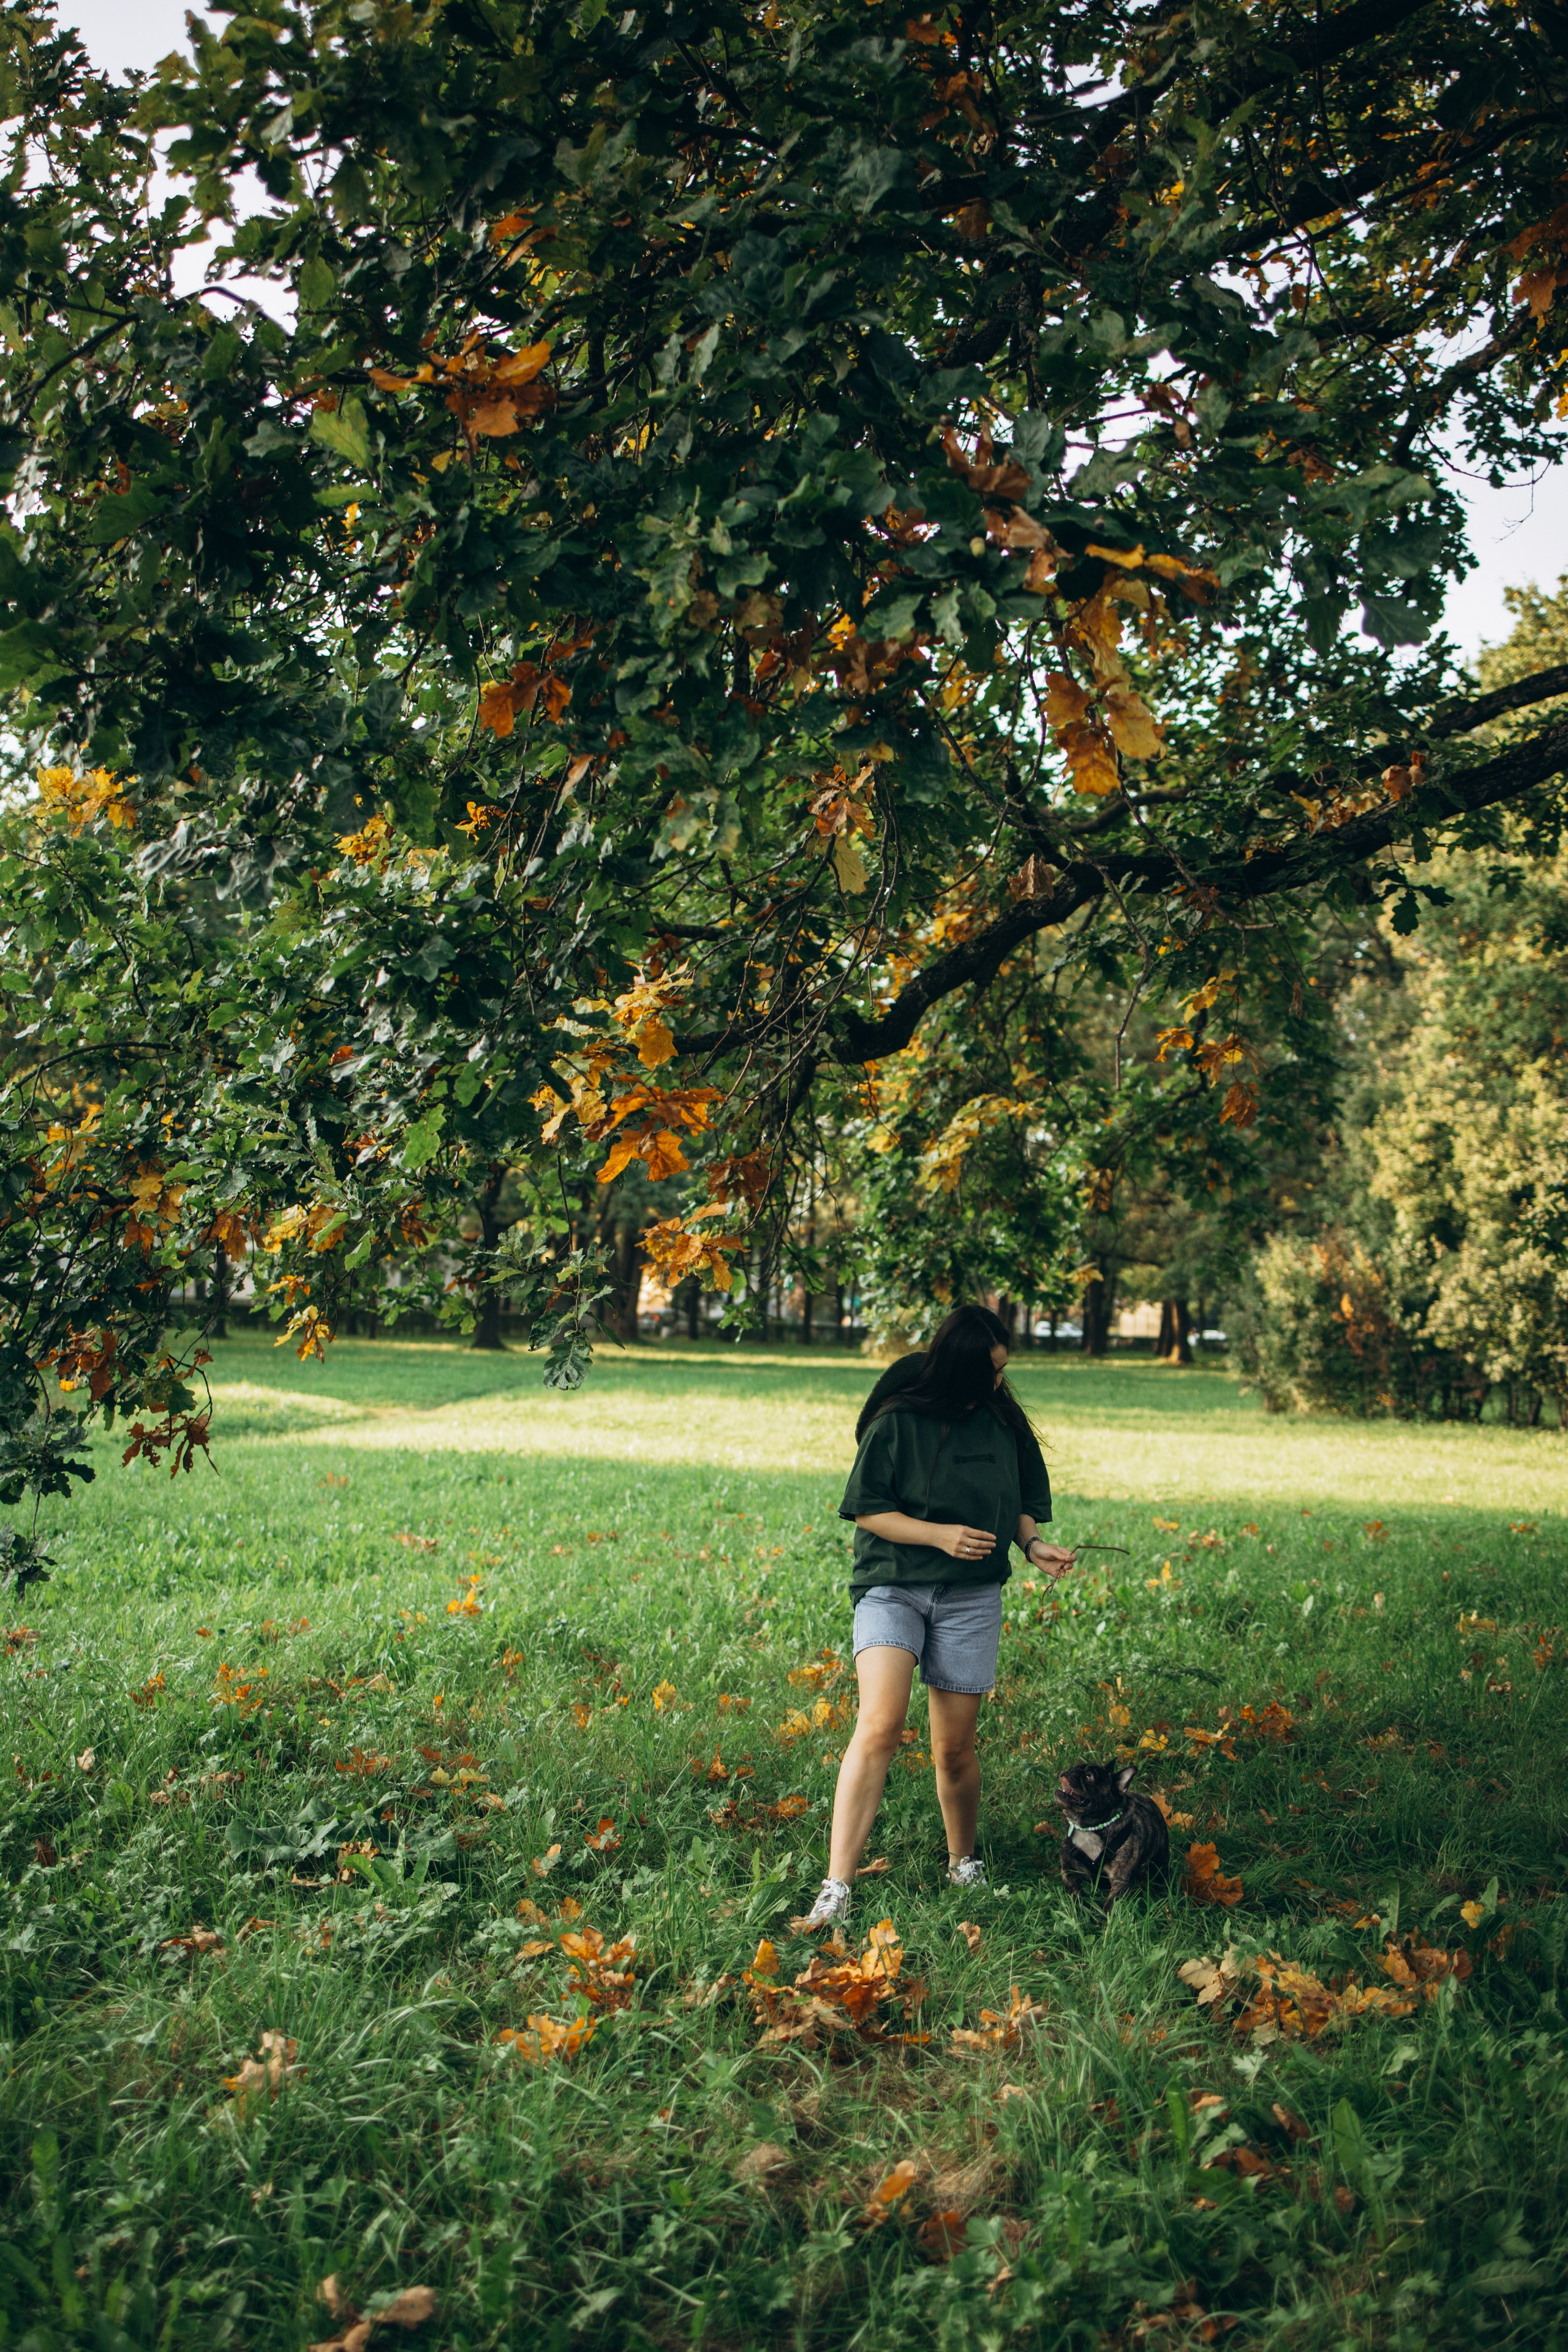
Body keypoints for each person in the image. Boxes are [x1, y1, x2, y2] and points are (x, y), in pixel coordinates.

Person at [801, 1304, 1077, 1929]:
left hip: (971, 1597)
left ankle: (962, 1864)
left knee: (953, 1750)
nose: (1001, 1383)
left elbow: (1017, 1502)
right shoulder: (898, 1422)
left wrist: (1032, 1546)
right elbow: (868, 1511)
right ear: (956, 1369)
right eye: (991, 1372)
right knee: (880, 1723)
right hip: (892, 1588)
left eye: (1004, 1370)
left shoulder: (1002, 1421)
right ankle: (836, 1887)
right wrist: (940, 1536)